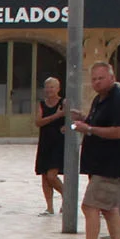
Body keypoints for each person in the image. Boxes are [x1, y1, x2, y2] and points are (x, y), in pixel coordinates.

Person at [63, 60, 120, 239]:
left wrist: (90, 129)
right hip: (99, 164)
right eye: (93, 79)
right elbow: (98, 125)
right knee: (110, 210)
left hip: (110, 165)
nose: (96, 82)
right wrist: (83, 121)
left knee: (89, 206)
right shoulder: (99, 100)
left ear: (112, 78)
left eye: (100, 78)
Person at [34, 75, 67, 215]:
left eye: (52, 87)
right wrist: (56, 116)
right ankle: (49, 207)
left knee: (52, 176)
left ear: (58, 88)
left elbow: (69, 118)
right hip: (45, 141)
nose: (49, 90)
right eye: (47, 87)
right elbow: (38, 122)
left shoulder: (63, 102)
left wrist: (67, 126)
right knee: (44, 175)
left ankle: (68, 197)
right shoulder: (41, 104)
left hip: (58, 142)